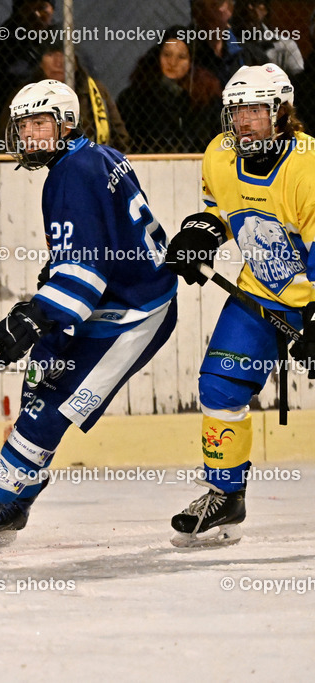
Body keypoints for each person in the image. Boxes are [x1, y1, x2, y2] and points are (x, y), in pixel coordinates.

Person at [0, 79, 178, 547]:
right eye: (24, 126)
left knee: (50, 403)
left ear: (66, 124)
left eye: (40, 124)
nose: (30, 136)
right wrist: (49, 297)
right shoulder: (96, 156)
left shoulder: (69, 175)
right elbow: (99, 240)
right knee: (42, 371)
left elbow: (87, 271)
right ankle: (23, 490)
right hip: (112, 294)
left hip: (133, 312)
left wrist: (35, 314)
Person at [163, 64, 315, 547]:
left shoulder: (308, 167)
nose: (244, 121)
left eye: (255, 110)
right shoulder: (221, 154)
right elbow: (221, 211)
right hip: (258, 295)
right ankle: (225, 494)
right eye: (237, 111)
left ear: (282, 112)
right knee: (220, 384)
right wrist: (200, 235)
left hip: (310, 300)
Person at [118, 31, 223, 153]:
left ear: (191, 61)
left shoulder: (206, 100)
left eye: (181, 57)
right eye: (167, 55)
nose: (172, 63)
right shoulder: (135, 98)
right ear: (157, 56)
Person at [34, 39, 131, 152]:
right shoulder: (25, 95)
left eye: (64, 55)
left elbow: (120, 138)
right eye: (50, 55)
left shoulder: (95, 91)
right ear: (40, 63)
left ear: (75, 62)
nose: (58, 62)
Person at [0, 0, 56, 97]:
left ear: (52, 10)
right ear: (18, 11)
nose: (37, 15)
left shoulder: (59, 43)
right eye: (29, 9)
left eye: (42, 8)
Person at [232, 0, 304, 76]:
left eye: (255, 2)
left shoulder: (284, 45)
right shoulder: (224, 44)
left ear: (266, 9)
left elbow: (299, 79)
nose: (249, 7)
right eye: (243, 2)